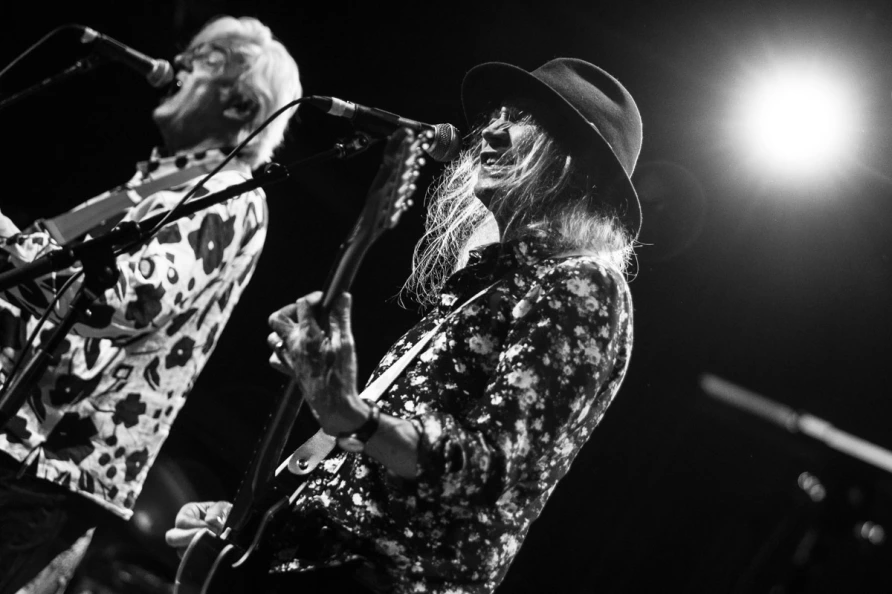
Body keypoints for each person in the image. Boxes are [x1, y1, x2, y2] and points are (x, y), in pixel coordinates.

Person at [167, 57, 641, 593]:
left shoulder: (584, 287)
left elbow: (491, 470)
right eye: (498, 113)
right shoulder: (483, 282)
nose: (492, 130)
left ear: (571, 164)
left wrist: (353, 414)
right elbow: (370, 465)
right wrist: (256, 524)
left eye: (521, 118)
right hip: (317, 562)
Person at [0, 16, 301, 593]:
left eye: (207, 59)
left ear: (242, 106)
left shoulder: (224, 194)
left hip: (47, 461)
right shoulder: (162, 183)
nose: (180, 64)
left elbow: (120, 302)